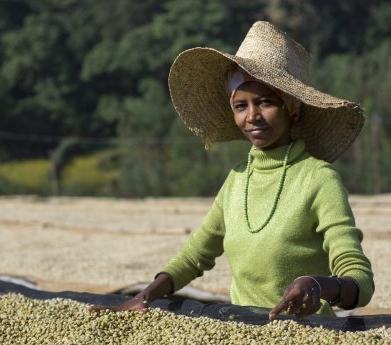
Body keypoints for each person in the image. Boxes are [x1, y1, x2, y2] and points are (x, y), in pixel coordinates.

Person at [89, 21, 375, 320]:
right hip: (241, 331)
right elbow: (194, 255)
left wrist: (319, 284)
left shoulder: (318, 178)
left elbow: (360, 282)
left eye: (265, 102)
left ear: (292, 107)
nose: (252, 116)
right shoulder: (237, 179)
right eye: (240, 105)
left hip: (306, 336)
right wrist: (144, 296)